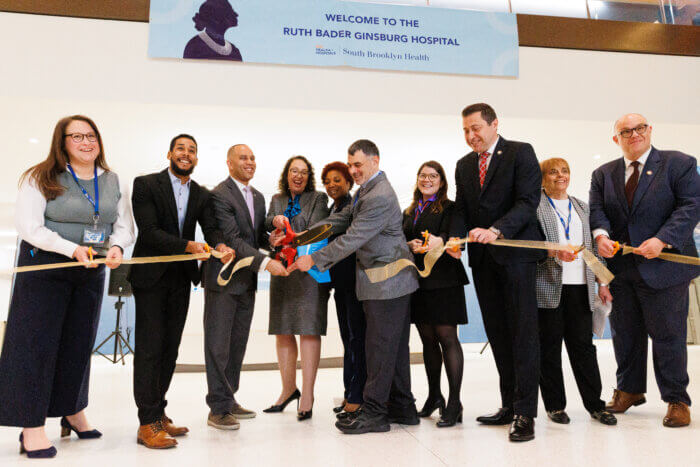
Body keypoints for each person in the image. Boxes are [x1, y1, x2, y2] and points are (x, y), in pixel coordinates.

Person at [0, 115, 134, 458]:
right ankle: (31, 428)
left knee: (77, 345)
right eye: (77, 137)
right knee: (35, 347)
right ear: (62, 143)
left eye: (91, 136)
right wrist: (71, 249)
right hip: (46, 267)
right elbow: (29, 226)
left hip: (90, 269)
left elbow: (122, 225)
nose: (86, 142)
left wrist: (116, 247)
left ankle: (72, 412)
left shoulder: (111, 179)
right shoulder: (40, 177)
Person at [289, 139, 420, 435]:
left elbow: (351, 239)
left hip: (388, 283)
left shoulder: (378, 196)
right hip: (390, 284)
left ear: (375, 160)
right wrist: (296, 239)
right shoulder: (367, 190)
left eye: (357, 164)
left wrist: (314, 259)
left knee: (379, 348)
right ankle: (402, 407)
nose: (353, 170)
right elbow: (339, 221)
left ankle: (374, 412)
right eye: (350, 164)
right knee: (394, 350)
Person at [589, 113, 700, 427]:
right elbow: (597, 211)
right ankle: (629, 390)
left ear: (650, 130)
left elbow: (691, 205)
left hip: (664, 268)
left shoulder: (679, 163)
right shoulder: (603, 174)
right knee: (625, 335)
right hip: (622, 270)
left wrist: (663, 239)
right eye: (626, 131)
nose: (633, 134)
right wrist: (601, 237)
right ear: (617, 139)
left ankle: (677, 399)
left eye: (639, 128)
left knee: (668, 336)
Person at [129, 134, 234, 449]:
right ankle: (146, 423)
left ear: (197, 159)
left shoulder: (200, 194)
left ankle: (159, 415)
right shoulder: (146, 184)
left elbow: (211, 227)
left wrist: (220, 244)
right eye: (180, 149)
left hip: (180, 279)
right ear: (169, 154)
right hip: (150, 278)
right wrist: (188, 245)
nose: (186, 154)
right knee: (149, 349)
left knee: (169, 349)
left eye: (192, 150)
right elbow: (148, 233)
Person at [447, 103, 543, 442]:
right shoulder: (463, 165)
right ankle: (508, 404)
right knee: (499, 336)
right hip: (484, 261)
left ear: (494, 124)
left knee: (523, 335)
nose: (471, 135)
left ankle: (526, 413)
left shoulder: (520, 152)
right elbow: (462, 208)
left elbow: (527, 202)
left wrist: (497, 230)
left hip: (516, 258)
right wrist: (455, 240)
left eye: (476, 128)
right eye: (465, 131)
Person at [201, 144, 288, 430]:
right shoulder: (219, 195)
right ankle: (217, 408)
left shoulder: (258, 197)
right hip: (224, 280)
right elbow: (233, 239)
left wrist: (271, 241)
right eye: (243, 158)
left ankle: (229, 399)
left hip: (245, 282)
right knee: (218, 346)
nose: (250, 162)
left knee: (236, 345)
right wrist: (266, 263)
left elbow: (252, 237)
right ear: (229, 163)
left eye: (252, 158)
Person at [535, 158, 617, 427]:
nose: (561, 176)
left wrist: (603, 284)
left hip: (581, 287)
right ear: (543, 177)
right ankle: (555, 406)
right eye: (553, 171)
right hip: (547, 288)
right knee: (549, 350)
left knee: (583, 348)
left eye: (565, 170)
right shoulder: (535, 206)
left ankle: (595, 405)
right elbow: (530, 245)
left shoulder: (582, 207)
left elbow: (594, 250)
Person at [263, 156, 330, 421]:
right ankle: (288, 389)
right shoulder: (277, 199)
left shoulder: (319, 199)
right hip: (282, 272)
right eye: (294, 171)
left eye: (303, 172)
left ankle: (308, 395)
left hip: (308, 271)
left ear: (309, 176)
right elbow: (267, 226)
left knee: (309, 331)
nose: (298, 176)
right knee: (283, 330)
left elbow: (318, 231)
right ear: (287, 174)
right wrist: (271, 234)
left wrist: (288, 231)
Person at [403, 161, 469, 428]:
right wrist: (409, 244)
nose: (427, 179)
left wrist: (440, 241)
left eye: (433, 176)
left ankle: (454, 403)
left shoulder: (452, 208)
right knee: (427, 341)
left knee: (447, 339)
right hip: (418, 282)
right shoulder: (409, 211)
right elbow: (400, 239)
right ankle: (434, 396)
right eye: (422, 175)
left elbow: (455, 239)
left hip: (444, 281)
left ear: (441, 182)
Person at [321, 162, 366, 417]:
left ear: (349, 182)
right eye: (327, 181)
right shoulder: (333, 207)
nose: (331, 185)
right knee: (347, 340)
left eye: (337, 179)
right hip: (340, 284)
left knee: (356, 340)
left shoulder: (351, 208)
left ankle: (357, 395)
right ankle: (350, 392)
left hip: (354, 283)